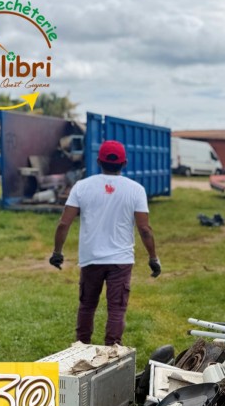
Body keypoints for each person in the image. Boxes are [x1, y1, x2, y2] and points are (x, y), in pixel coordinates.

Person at [49, 140, 161, 346]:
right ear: (124, 163)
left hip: (91, 258)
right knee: (116, 309)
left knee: (87, 306)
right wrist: (153, 258)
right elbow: (144, 229)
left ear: (98, 161)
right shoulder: (136, 190)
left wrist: (57, 252)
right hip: (121, 260)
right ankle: (112, 351)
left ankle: (81, 348)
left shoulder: (82, 187)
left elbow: (64, 223)